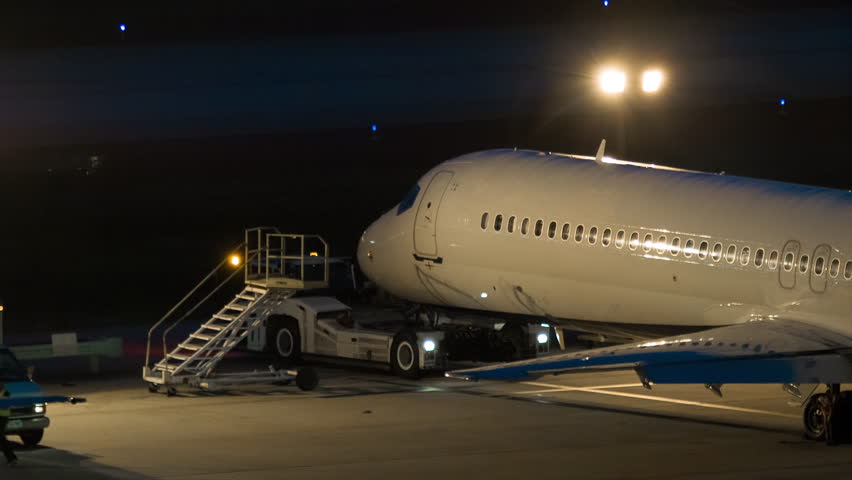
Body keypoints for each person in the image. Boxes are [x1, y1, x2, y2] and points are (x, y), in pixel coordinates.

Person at [0, 385, 18, 466]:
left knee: (1, 438)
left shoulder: (5, 392)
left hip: (2, 417)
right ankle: (11, 458)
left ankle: (11, 458)